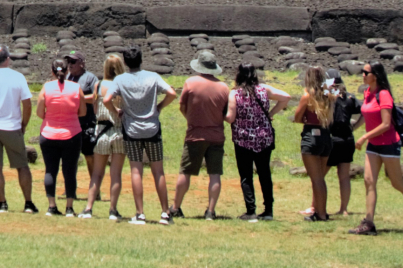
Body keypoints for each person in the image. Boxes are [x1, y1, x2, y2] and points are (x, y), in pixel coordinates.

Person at [350, 61, 403, 235]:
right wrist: (353, 130)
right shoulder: (367, 93)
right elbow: (366, 115)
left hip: (389, 144)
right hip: (374, 145)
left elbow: (386, 124)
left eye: (365, 72)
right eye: (362, 72)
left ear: (375, 76)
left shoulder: (384, 95)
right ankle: (368, 223)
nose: (362, 75)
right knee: (369, 181)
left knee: (397, 183)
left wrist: (364, 136)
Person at [104, 46, 177, 225]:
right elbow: (172, 93)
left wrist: (117, 111)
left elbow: (106, 99)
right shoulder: (153, 76)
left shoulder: (121, 79)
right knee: (158, 171)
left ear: (126, 62)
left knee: (136, 171)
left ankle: (140, 213)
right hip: (152, 128)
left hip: (132, 129)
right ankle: (165, 213)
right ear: (141, 60)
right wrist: (159, 107)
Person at [227, 63, 295, 221]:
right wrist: (271, 113)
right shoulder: (264, 89)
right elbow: (286, 97)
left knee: (246, 175)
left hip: (243, 138)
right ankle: (268, 211)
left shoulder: (235, 93)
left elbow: (230, 118)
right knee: (264, 174)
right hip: (264, 137)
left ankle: (251, 211)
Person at [0, 44, 39, 214]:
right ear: (8, 59)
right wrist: (24, 124)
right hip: (12, 127)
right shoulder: (17, 77)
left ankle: (2, 203)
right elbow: (27, 104)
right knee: (22, 166)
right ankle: (28, 203)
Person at [172, 48, 230, 219]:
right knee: (215, 175)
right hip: (216, 135)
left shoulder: (190, 83)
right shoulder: (223, 87)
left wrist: (192, 120)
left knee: (185, 172)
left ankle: (175, 207)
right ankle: (211, 211)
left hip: (195, 134)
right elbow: (224, 112)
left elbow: (183, 107)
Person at [36, 60, 85, 215]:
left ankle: (51, 206)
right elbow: (82, 112)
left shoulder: (46, 88)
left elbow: (39, 113)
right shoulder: (76, 88)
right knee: (70, 171)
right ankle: (69, 208)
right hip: (71, 134)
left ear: (52, 72)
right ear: (67, 71)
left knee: (50, 170)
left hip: (48, 134)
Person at [82, 53, 126, 220]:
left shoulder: (98, 85)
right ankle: (113, 210)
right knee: (116, 174)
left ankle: (88, 208)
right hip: (119, 131)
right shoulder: (122, 86)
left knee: (97, 173)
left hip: (101, 131)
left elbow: (94, 110)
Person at [293, 64, 335, 221]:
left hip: (311, 136)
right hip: (325, 136)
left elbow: (297, 118)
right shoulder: (329, 94)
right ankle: (321, 210)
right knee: (321, 179)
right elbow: (342, 93)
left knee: (316, 179)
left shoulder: (307, 96)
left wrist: (305, 119)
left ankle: (320, 214)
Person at [65, 52, 101, 205]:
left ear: (82, 63)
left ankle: (95, 190)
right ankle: (70, 189)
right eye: (69, 61)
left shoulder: (90, 78)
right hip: (70, 123)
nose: (70, 64)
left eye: (73, 61)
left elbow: (95, 97)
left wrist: (77, 98)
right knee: (69, 158)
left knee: (89, 157)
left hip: (87, 123)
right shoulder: (67, 77)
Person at [325, 74, 360, 216]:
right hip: (347, 139)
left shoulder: (328, 96)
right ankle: (343, 209)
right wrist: (355, 127)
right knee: (344, 176)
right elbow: (363, 112)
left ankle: (315, 207)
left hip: (332, 139)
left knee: (319, 176)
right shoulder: (350, 97)